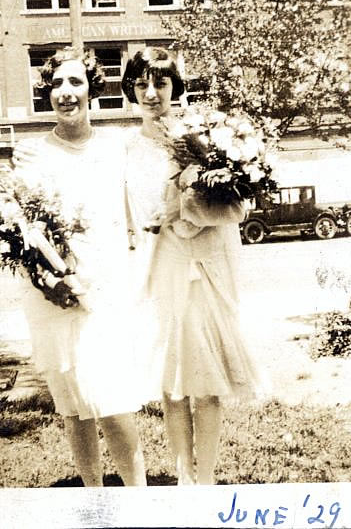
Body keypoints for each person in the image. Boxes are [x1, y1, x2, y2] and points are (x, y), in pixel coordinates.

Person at [122, 47, 261, 485]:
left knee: (207, 377)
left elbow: (236, 209)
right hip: (161, 268)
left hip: (207, 270)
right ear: (130, 89)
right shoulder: (126, 150)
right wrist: (164, 219)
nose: (151, 93)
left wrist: (185, 212)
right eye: (141, 84)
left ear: (174, 88)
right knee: (173, 379)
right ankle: (184, 477)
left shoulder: (201, 138)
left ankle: (208, 480)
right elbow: (135, 215)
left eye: (160, 83)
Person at [13, 47, 146, 487]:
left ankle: (140, 500)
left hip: (105, 289)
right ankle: (94, 499)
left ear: (93, 89)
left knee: (111, 400)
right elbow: (24, 233)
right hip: (54, 293)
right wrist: (51, 281)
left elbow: (135, 220)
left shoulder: (116, 150)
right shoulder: (33, 156)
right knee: (72, 403)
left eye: (75, 82)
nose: (65, 93)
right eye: (56, 84)